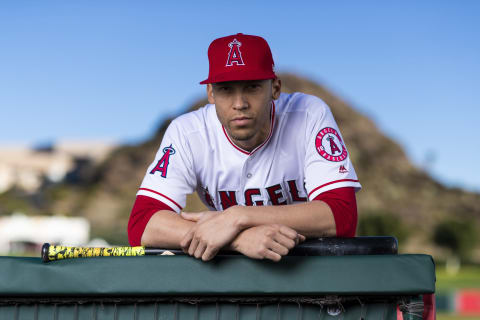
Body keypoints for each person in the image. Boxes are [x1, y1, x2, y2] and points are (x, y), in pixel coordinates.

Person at [128, 33, 361, 262]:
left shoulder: (308, 114)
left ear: (275, 88)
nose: (239, 104)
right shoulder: (187, 132)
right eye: (226, 89)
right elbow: (142, 224)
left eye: (252, 87)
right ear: (210, 93)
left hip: (309, 265)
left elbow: (342, 216)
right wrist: (238, 240)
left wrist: (239, 217)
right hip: (234, 272)